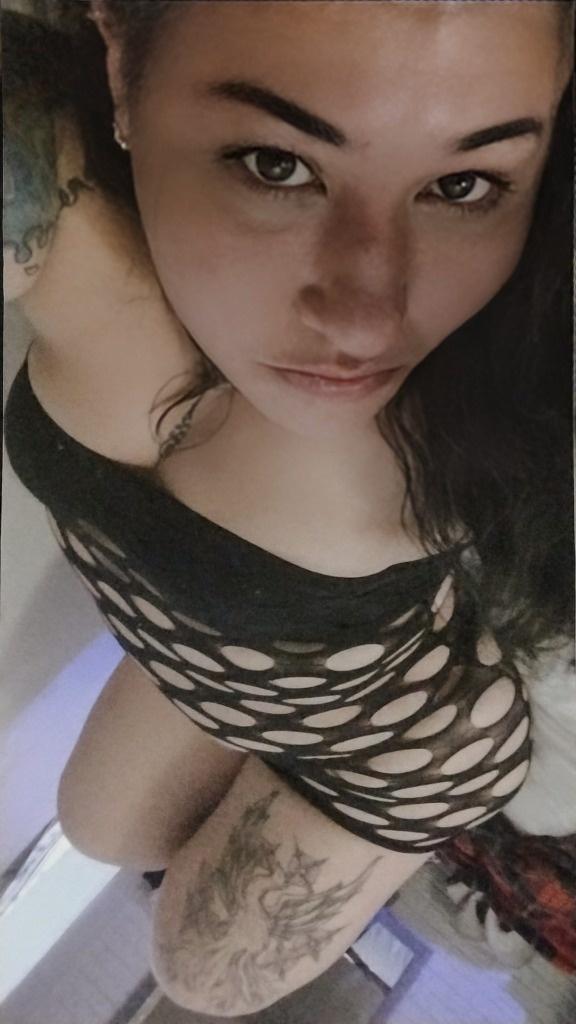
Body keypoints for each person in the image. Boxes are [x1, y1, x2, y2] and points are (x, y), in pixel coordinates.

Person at [3, 0, 574, 1015]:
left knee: (194, 971)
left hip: (404, 740)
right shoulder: (59, 184)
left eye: (464, 185)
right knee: (98, 828)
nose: (366, 317)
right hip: (213, 655)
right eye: (275, 164)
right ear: (122, 64)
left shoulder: (502, 398)